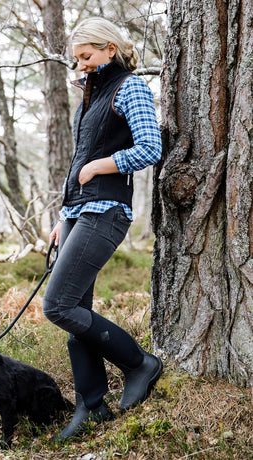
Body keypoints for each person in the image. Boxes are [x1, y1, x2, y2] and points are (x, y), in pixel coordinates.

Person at [43, 17, 163, 440]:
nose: (82, 66)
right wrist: (62, 218)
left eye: (87, 56)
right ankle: (91, 406)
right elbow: (77, 161)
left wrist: (101, 165)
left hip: (107, 211)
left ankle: (139, 364)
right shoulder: (89, 99)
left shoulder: (129, 87)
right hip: (79, 214)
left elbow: (150, 147)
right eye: (77, 59)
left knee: (57, 306)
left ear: (110, 48)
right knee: (77, 313)